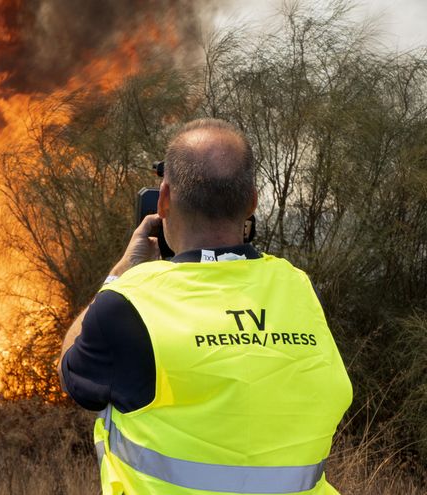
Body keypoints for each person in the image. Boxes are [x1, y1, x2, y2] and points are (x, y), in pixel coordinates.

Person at [58, 118, 352, 495]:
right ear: (252, 201)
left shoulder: (129, 303)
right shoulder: (299, 288)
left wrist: (119, 274)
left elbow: (70, 371)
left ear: (163, 200)